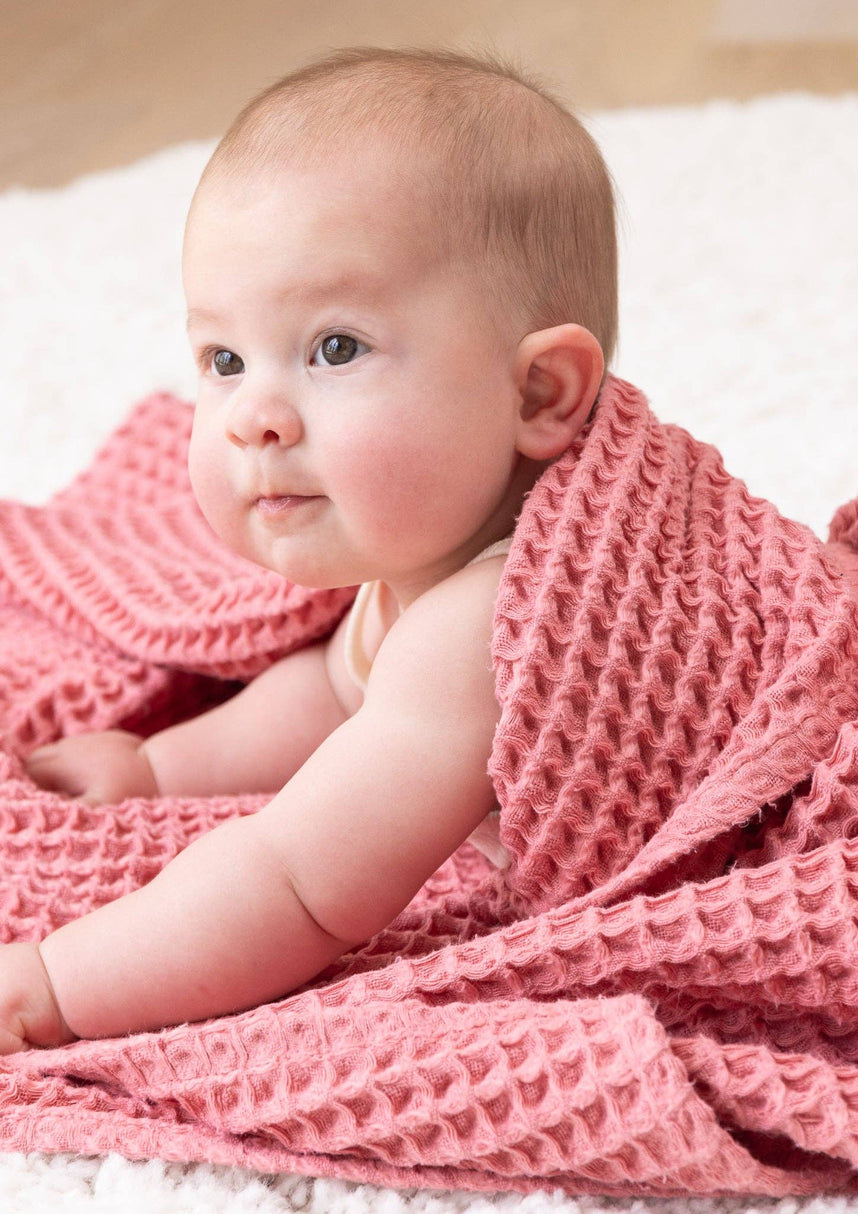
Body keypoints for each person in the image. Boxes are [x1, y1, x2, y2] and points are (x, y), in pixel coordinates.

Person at [0, 45, 617, 1054]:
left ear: (540, 394)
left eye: (335, 347)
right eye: (225, 360)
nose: (252, 417)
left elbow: (293, 882)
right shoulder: (420, 561)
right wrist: (160, 766)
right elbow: (334, 691)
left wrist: (53, 983)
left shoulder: (496, 620)